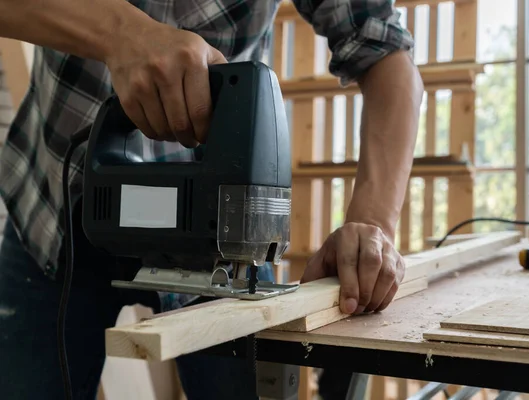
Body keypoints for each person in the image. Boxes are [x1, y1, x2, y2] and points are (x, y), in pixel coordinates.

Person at [0, 0, 423, 399]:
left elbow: (388, 55)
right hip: (53, 210)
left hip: (230, 246)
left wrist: (373, 225)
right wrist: (120, 33)